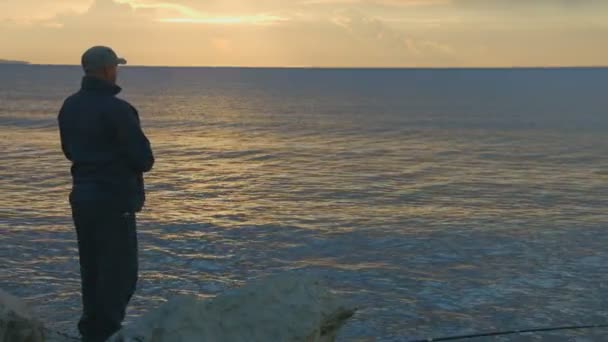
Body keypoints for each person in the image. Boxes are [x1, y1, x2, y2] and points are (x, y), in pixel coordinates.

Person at [57, 46, 154, 342]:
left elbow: (69, 151)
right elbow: (144, 159)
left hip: (83, 198)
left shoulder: (70, 105)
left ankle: (91, 332)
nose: (117, 72)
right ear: (109, 70)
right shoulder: (119, 109)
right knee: (119, 275)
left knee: (93, 269)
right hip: (113, 201)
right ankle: (106, 334)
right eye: (116, 67)